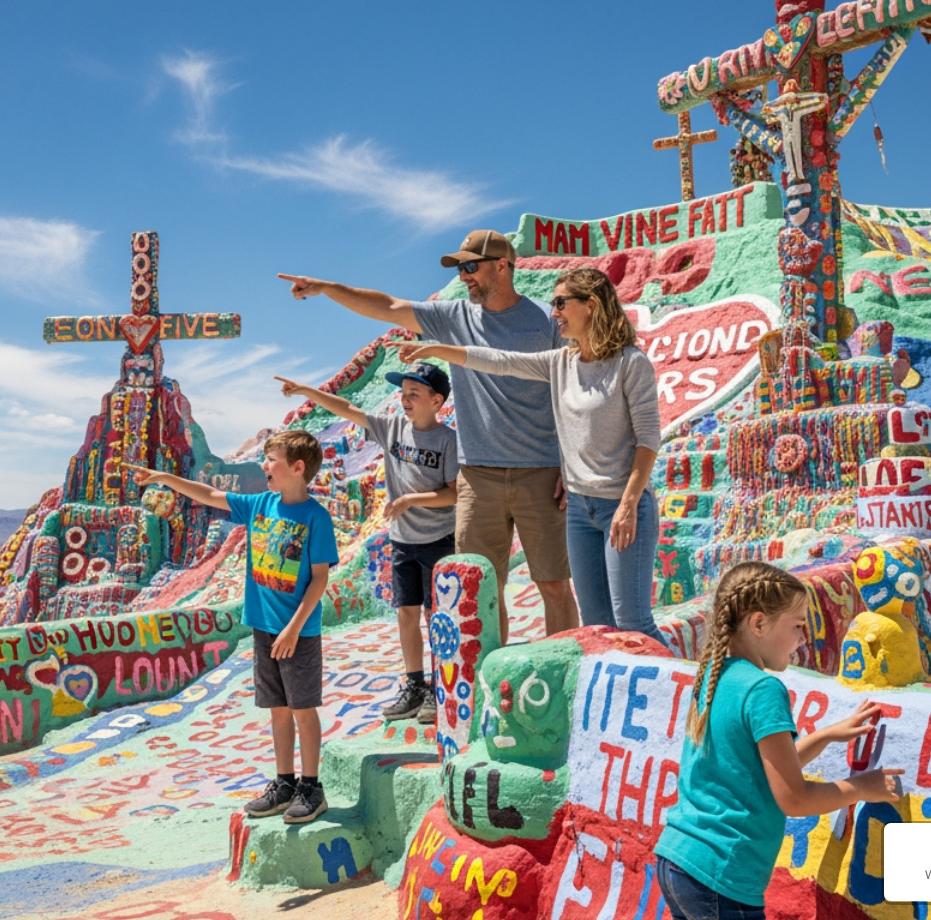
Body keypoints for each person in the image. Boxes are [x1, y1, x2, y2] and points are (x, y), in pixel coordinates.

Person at [280, 230, 580, 644]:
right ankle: (485, 678)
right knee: (480, 589)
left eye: (470, 266)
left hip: (540, 473)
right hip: (478, 478)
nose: (464, 276)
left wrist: (569, 462)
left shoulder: (546, 321)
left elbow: (571, 390)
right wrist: (327, 288)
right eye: (459, 269)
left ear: (502, 266)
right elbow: (389, 306)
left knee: (554, 585)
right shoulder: (454, 317)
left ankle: (563, 668)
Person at [389, 266, 666, 643]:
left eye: (561, 303)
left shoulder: (630, 362)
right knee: (597, 626)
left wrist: (629, 504)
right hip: (580, 511)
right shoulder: (561, 362)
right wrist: (438, 350)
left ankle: (687, 682)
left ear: (591, 305)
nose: (554, 312)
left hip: (622, 504)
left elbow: (648, 439)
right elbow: (501, 361)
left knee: (633, 623)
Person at [653, 562, 902, 919]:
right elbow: (794, 798)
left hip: (679, 861)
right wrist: (862, 787)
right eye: (797, 625)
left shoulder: (715, 674)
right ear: (758, 624)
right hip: (723, 876)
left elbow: (759, 769)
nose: (803, 638)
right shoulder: (763, 689)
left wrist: (827, 735)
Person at [127, 430, 339, 825]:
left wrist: (294, 628)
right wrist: (165, 478)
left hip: (297, 633)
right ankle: (284, 783)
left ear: (297, 468)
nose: (264, 466)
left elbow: (319, 579)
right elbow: (209, 494)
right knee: (278, 710)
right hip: (264, 627)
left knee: (302, 709)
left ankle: (312, 787)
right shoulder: (260, 504)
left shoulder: (316, 517)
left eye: (272, 460)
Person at [275, 363, 457, 725]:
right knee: (406, 614)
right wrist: (307, 391)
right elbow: (347, 409)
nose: (404, 400)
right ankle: (415, 685)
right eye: (403, 393)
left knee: (435, 616)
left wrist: (410, 500)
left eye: (414, 394)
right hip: (403, 541)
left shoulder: (447, 441)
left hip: (439, 540)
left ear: (436, 402)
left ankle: (440, 687)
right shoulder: (392, 428)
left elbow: (454, 493)